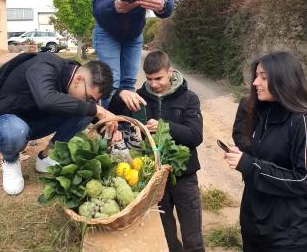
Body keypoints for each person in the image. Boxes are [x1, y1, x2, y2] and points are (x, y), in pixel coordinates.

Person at [0, 53, 119, 196]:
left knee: (87, 111)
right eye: (90, 98)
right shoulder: (45, 65)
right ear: (79, 80)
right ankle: (10, 161)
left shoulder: (73, 80)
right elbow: (46, 99)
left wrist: (108, 126)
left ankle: (46, 157)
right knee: (14, 132)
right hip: (6, 122)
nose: (90, 102)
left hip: (35, 122)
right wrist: (96, 109)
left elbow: (88, 111)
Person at [109, 50, 205, 252]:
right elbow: (112, 117)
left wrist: (165, 126)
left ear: (170, 72)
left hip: (184, 175)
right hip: (151, 176)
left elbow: (195, 136)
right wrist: (120, 95)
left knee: (192, 235)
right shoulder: (139, 97)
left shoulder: (189, 98)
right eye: (150, 79)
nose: (153, 84)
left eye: (159, 78)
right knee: (164, 232)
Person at [223, 51, 307, 251]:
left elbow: (303, 180)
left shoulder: (301, 122)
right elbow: (264, 157)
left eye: (263, 77)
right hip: (254, 223)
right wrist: (244, 155)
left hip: (286, 234)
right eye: (256, 76)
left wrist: (250, 165)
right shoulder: (262, 113)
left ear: (283, 80)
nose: (255, 83)